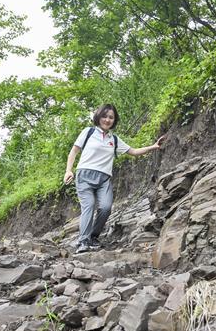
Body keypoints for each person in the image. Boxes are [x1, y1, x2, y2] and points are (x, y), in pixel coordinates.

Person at [64, 104, 165, 254]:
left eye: (111, 117)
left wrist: (154, 146)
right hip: (84, 175)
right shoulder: (88, 132)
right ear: (98, 117)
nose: (107, 120)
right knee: (89, 206)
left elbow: (133, 151)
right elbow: (74, 151)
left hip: (104, 178)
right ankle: (83, 242)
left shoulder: (114, 139)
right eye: (104, 116)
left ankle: (93, 237)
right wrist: (68, 171)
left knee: (105, 207)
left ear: (114, 120)